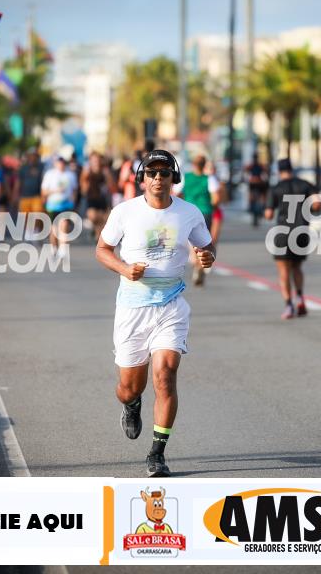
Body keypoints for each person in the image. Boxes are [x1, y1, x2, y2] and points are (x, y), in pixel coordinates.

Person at [95, 148, 215, 477]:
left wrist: (207, 256)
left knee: (165, 374)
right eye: (152, 173)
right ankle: (131, 405)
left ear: (174, 178)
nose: (158, 178)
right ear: (142, 178)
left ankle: (157, 453)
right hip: (133, 307)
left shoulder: (189, 212)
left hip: (171, 303)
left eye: (164, 172)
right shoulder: (125, 212)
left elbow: (206, 245)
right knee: (129, 387)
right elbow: (102, 249)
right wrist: (124, 268)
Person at [265, 158, 321, 319]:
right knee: (297, 267)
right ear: (292, 169)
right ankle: (300, 297)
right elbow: (317, 205)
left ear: (279, 171)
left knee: (283, 270)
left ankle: (288, 305)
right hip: (301, 231)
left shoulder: (276, 188)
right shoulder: (306, 185)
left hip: (283, 233)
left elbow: (268, 214)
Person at [176, 154, 220, 286]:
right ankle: (199, 266)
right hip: (205, 213)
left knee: (191, 243)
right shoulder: (209, 179)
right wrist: (212, 206)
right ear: (204, 165)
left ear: (193, 164)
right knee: (203, 242)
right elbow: (216, 199)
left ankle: (196, 263)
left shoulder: (185, 177)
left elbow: (177, 194)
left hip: (188, 213)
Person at [41, 156, 78, 258]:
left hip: (66, 204)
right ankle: (54, 247)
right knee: (54, 228)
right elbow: (44, 191)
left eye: (63, 163)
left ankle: (63, 248)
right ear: (55, 164)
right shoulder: (49, 175)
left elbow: (74, 189)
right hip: (52, 205)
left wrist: (73, 201)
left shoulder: (70, 175)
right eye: (59, 163)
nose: (61, 165)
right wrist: (55, 191)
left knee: (64, 224)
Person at [80, 151, 117, 241]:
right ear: (90, 161)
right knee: (93, 216)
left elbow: (112, 186)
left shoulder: (105, 171)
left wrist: (107, 175)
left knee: (103, 221)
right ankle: (96, 231)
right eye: (94, 160)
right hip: (92, 198)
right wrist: (86, 184)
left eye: (97, 160)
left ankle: (98, 237)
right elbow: (83, 186)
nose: (96, 162)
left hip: (103, 198)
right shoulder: (87, 171)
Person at [17, 149, 45, 241]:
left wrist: (44, 195)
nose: (33, 157)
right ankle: (28, 231)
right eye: (31, 155)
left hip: (37, 195)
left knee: (37, 214)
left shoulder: (41, 167)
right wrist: (15, 194)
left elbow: (44, 181)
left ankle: (36, 230)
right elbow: (18, 182)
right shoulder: (23, 168)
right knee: (25, 216)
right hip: (25, 196)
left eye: (34, 156)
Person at [245, 152, 269, 227]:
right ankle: (263, 205)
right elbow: (265, 172)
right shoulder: (258, 165)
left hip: (254, 183)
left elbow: (246, 172)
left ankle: (252, 205)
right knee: (262, 194)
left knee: (252, 195)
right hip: (257, 183)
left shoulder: (252, 165)